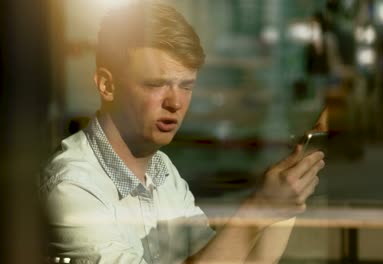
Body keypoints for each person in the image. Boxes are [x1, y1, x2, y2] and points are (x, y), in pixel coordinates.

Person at [39, 2, 325, 263]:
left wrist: (283, 202)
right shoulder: (72, 188)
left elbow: (234, 260)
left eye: (186, 86)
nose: (175, 103)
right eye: (155, 84)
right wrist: (259, 208)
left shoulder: (163, 173)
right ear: (107, 85)